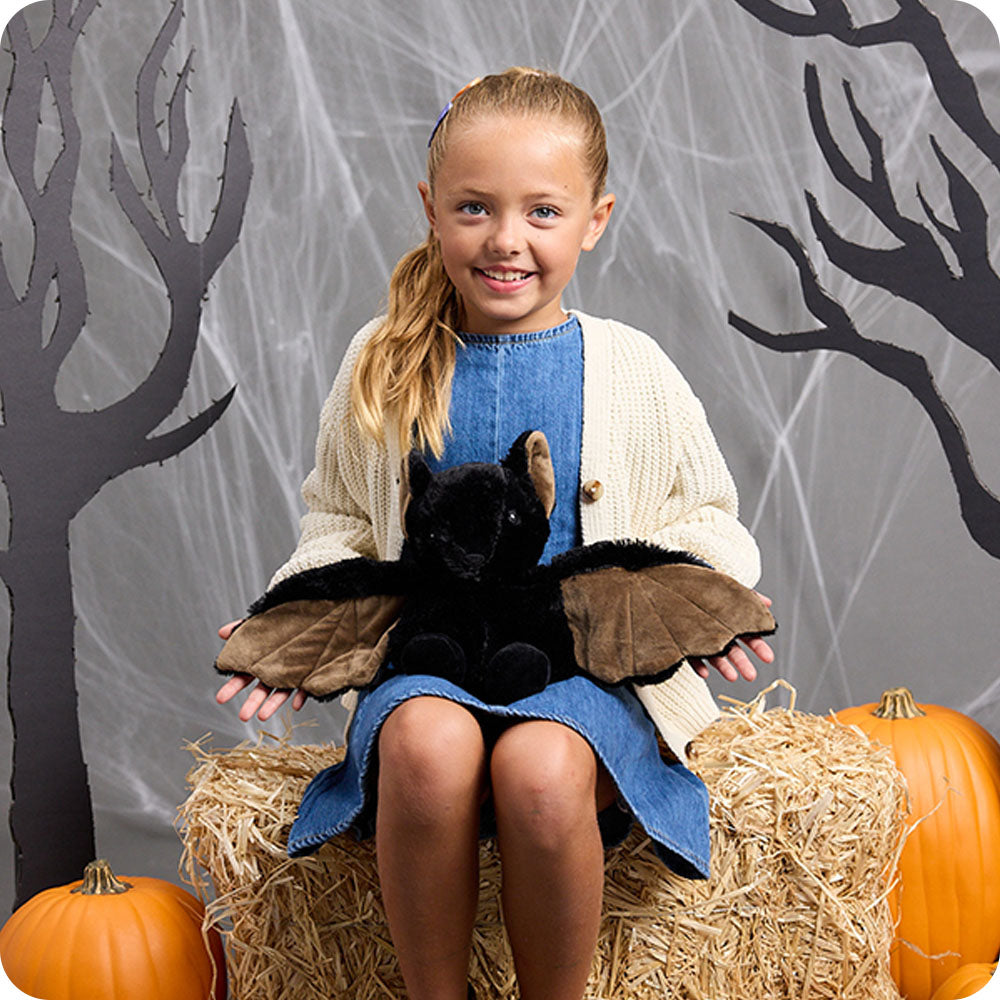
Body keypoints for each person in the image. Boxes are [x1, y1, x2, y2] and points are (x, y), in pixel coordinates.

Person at [216, 67, 774, 1000]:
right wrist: (294, 618)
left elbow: (705, 516)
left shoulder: (633, 368)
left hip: (576, 673)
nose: (506, 241)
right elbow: (342, 521)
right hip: (428, 660)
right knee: (428, 750)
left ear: (594, 219)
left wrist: (696, 599)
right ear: (432, 210)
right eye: (474, 207)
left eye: (543, 213)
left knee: (541, 770)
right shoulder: (382, 361)